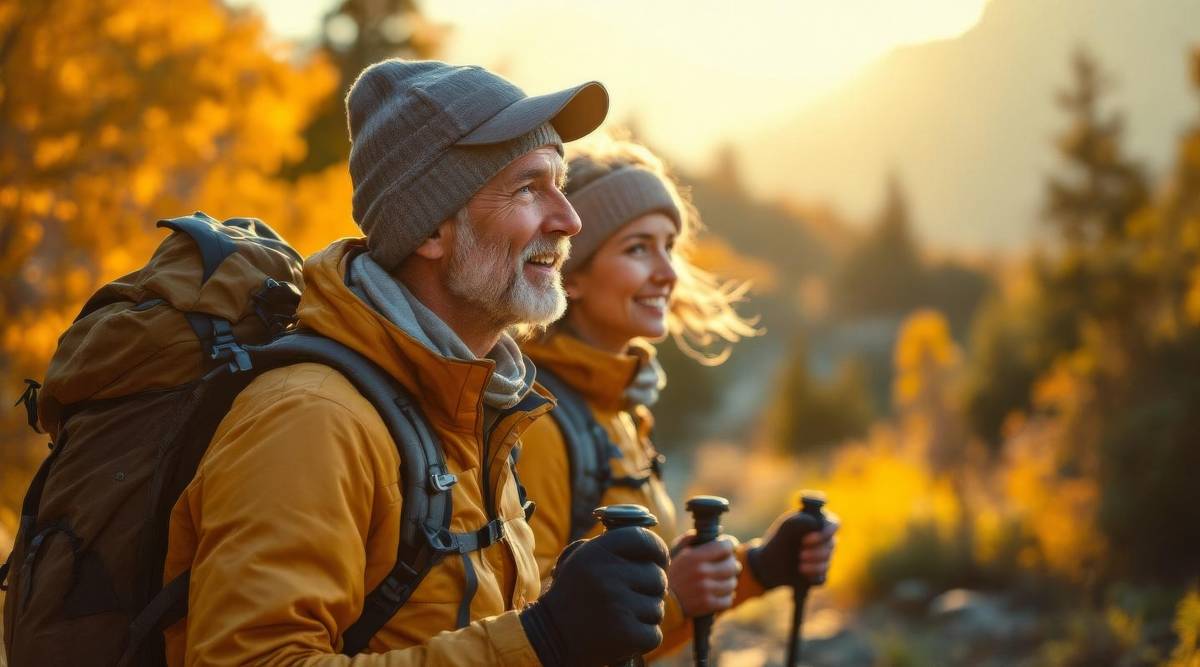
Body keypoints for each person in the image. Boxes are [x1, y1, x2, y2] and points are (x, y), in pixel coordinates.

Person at [162, 61, 669, 666]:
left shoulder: (475, 407)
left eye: (560, 183)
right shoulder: (311, 419)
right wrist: (541, 639)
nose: (569, 219)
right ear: (432, 228)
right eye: (530, 188)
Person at [516, 135, 839, 659]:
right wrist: (676, 600)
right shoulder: (537, 422)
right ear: (569, 274)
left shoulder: (620, 409)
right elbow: (528, 637)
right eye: (638, 248)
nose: (667, 272)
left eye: (669, 246)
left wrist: (759, 568)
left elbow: (640, 619)